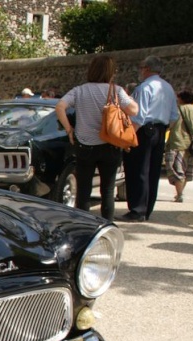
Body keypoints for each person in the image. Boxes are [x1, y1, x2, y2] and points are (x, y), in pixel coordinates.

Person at [56, 55, 138, 222]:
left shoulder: (79, 90)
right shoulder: (116, 90)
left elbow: (60, 106)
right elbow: (134, 111)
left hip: (84, 144)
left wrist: (69, 129)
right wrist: (130, 99)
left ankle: (83, 226)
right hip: (110, 144)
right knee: (107, 189)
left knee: (83, 190)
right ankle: (107, 224)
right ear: (110, 72)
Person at [121, 56, 179, 222]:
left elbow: (138, 117)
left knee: (137, 169)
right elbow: (174, 115)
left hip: (144, 130)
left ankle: (137, 209)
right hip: (160, 130)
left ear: (146, 68)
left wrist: (129, 138)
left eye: (141, 67)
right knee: (153, 171)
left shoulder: (144, 88)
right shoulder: (168, 88)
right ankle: (147, 209)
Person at [164, 89, 193, 203]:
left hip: (177, 142)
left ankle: (179, 195)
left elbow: (169, 125)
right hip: (192, 145)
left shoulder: (178, 110)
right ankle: (180, 193)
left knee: (177, 169)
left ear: (182, 99)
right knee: (187, 169)